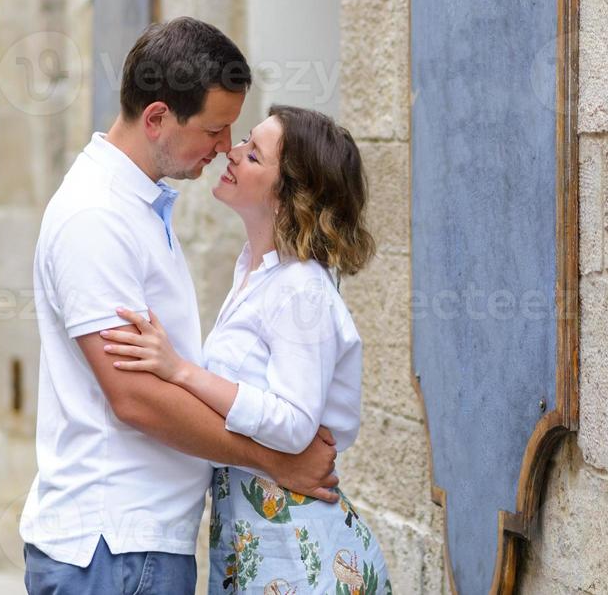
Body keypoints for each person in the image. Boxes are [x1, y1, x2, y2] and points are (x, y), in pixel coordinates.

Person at [20, 18, 340, 595]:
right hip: (112, 548)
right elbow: (134, 397)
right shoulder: (97, 217)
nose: (225, 147)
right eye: (216, 129)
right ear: (158, 118)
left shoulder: (136, 207)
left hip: (134, 547)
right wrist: (277, 463)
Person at [98, 104, 391, 595]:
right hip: (254, 539)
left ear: (288, 196)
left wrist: (180, 372)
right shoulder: (253, 275)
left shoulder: (302, 289)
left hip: (300, 552)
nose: (231, 153)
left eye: (254, 154)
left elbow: (295, 424)